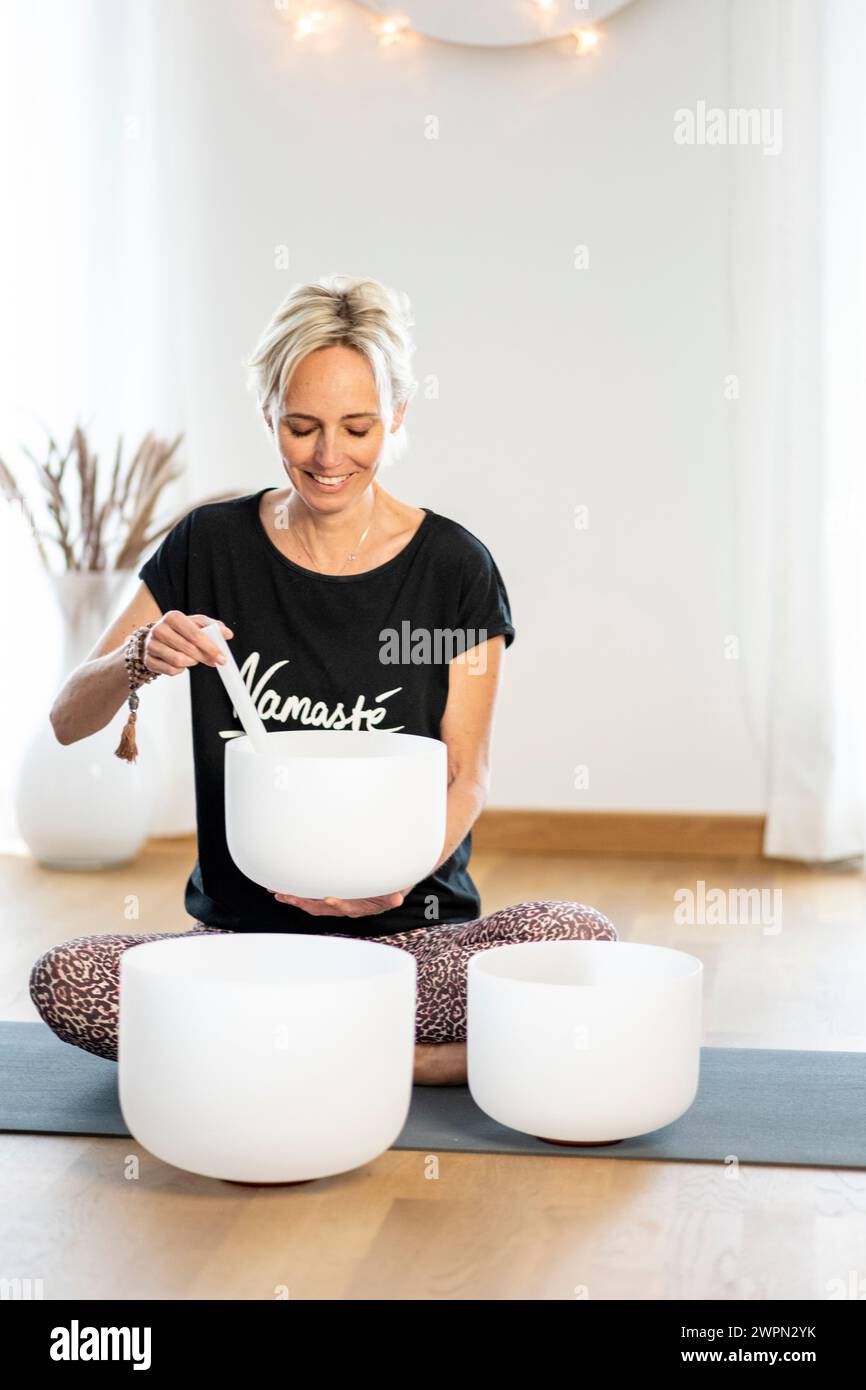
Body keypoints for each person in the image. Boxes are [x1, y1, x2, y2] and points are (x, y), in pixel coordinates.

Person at [30, 273, 617, 1085]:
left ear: (398, 417)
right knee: (67, 978)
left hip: (410, 942)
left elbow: (466, 772)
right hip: (249, 950)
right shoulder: (211, 547)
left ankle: (279, 1052)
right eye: (302, 426)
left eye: (358, 426)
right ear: (269, 413)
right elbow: (67, 719)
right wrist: (137, 658)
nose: (329, 456)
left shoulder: (453, 569)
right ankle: (402, 1060)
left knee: (578, 938)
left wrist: (390, 885)